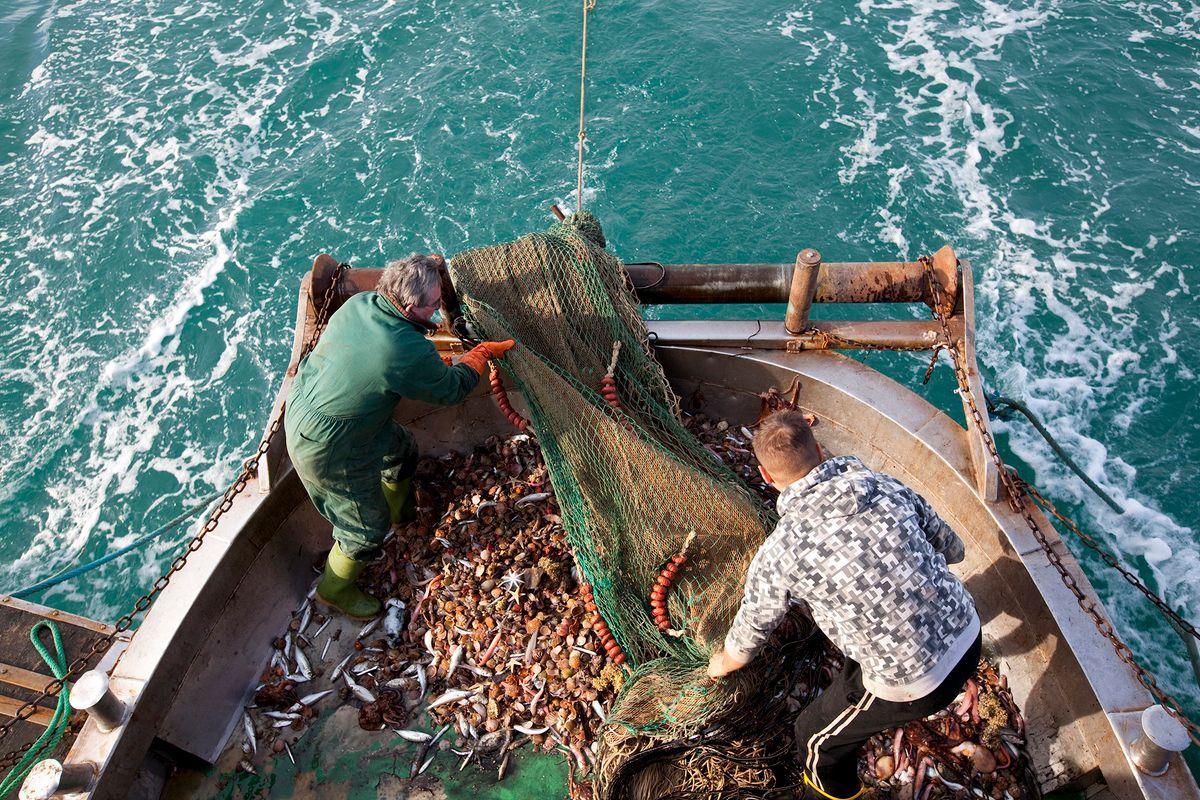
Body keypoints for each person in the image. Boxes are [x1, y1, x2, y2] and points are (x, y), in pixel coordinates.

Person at [707, 410, 980, 800]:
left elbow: (750, 631)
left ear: (767, 477)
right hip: (969, 630)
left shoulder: (780, 551)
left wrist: (722, 664)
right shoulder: (884, 485)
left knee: (816, 740)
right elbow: (954, 549)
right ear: (819, 450)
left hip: (919, 683)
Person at [285, 253, 514, 619]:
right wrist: (480, 354)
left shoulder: (361, 302)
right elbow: (451, 389)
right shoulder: (401, 349)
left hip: (309, 405)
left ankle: (401, 513)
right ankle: (334, 589)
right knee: (364, 528)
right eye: (434, 306)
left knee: (402, 450)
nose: (439, 315)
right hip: (328, 445)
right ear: (410, 306)